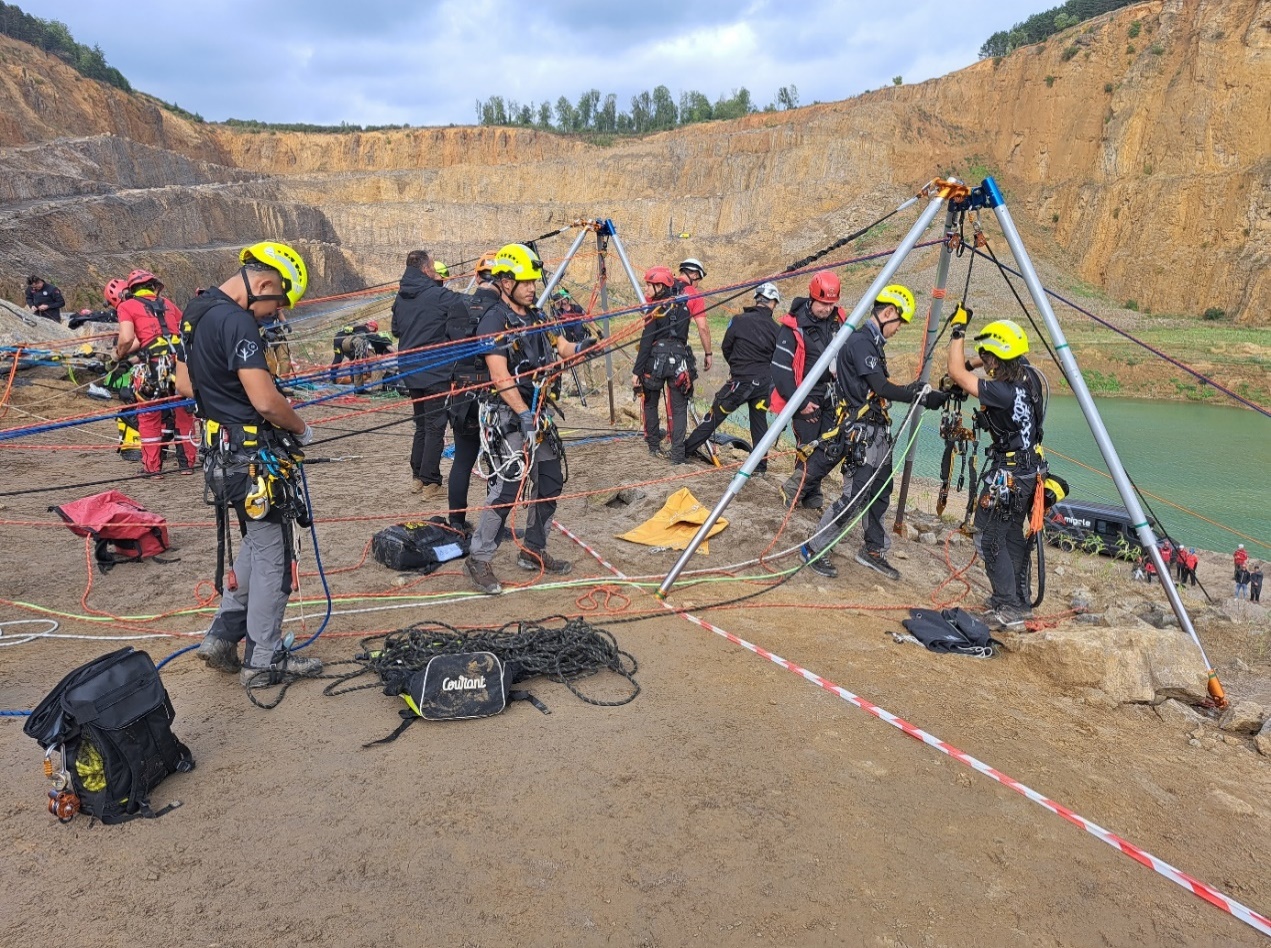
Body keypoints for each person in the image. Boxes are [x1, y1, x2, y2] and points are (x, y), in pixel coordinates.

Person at [176, 241, 321, 687]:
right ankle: (264, 659)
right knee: (275, 558)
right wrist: (298, 427)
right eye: (277, 304)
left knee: (255, 547)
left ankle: (222, 637)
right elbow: (266, 400)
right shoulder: (238, 322)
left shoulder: (196, 311)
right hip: (254, 459)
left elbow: (185, 385)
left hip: (220, 456)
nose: (275, 315)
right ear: (263, 284)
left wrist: (226, 399)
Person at [464, 243, 597, 594]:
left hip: (537, 413)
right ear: (505, 283)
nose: (531, 287)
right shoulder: (493, 320)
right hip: (508, 413)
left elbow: (564, 349)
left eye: (533, 282)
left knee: (550, 481)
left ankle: (533, 549)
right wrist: (522, 414)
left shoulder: (537, 316)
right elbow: (500, 376)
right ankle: (478, 558)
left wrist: (585, 347)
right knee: (507, 486)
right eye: (524, 282)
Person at [799, 284, 946, 581]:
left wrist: (920, 394)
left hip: (877, 433)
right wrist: (918, 395)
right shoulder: (861, 342)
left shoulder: (873, 345)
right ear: (888, 312)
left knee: (880, 494)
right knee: (854, 496)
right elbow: (879, 387)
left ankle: (874, 550)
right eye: (899, 323)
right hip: (862, 435)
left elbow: (877, 390)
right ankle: (814, 548)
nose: (898, 330)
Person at [944, 311, 1049, 626]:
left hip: (1009, 475)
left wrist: (958, 330)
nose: (984, 362)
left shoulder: (1002, 393)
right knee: (1012, 536)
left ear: (997, 359)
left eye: (988, 358)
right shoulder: (1028, 375)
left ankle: (1008, 605)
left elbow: (956, 373)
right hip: (1028, 471)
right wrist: (982, 357)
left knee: (990, 537)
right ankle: (1018, 600)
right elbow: (976, 365)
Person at [684, 282, 781, 472]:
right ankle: (760, 467)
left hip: (740, 381)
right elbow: (778, 358)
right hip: (763, 384)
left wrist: (737, 366)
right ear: (773, 303)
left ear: (756, 299)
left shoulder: (738, 320)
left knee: (714, 416)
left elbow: (726, 347)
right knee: (759, 424)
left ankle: (685, 450)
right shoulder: (777, 329)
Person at [772, 272, 847, 509]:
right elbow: (781, 371)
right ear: (812, 298)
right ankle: (798, 491)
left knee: (829, 445)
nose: (827, 309)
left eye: (831, 304)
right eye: (823, 304)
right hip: (805, 393)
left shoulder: (839, 321)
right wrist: (801, 402)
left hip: (833, 393)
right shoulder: (793, 326)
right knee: (808, 444)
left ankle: (811, 491)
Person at [391, 249, 462, 499]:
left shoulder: (400, 298)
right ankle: (431, 480)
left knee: (421, 424)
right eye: (432, 266)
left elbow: (396, 330)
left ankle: (417, 476)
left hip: (410, 371)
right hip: (435, 372)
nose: (434, 271)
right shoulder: (439, 295)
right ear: (424, 269)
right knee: (434, 426)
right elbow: (466, 308)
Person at [114, 269, 197, 476]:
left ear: (132, 289)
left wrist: (118, 355)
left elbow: (125, 338)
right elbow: (186, 328)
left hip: (152, 368)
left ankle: (153, 468)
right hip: (180, 364)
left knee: (149, 416)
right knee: (183, 412)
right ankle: (187, 465)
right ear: (154, 286)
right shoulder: (168, 304)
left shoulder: (127, 306)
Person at [442, 262, 502, 532]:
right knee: (499, 461)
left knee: (463, 461)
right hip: (493, 395)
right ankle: (494, 526)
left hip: (461, 395)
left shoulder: (456, 307)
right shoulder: (503, 311)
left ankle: (456, 521)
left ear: (477, 277)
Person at [633, 266, 695, 463]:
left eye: (649, 285)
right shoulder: (684, 308)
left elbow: (646, 341)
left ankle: (653, 446)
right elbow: (683, 338)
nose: (646, 289)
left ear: (659, 286)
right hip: (678, 360)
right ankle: (677, 454)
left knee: (650, 403)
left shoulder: (655, 309)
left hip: (655, 360)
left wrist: (637, 371)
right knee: (679, 408)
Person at [676, 258, 714, 377]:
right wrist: (708, 353)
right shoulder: (694, 294)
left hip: (654, 348)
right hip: (678, 347)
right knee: (680, 390)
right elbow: (703, 328)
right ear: (694, 274)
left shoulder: (663, 287)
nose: (697, 285)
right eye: (698, 280)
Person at [330, 319, 394, 385]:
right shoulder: (363, 329)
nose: (373, 332)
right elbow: (373, 338)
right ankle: (339, 379)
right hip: (346, 342)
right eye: (374, 330)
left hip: (341, 341)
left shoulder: (357, 329)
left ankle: (337, 379)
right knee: (354, 360)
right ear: (370, 326)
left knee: (347, 359)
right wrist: (387, 343)